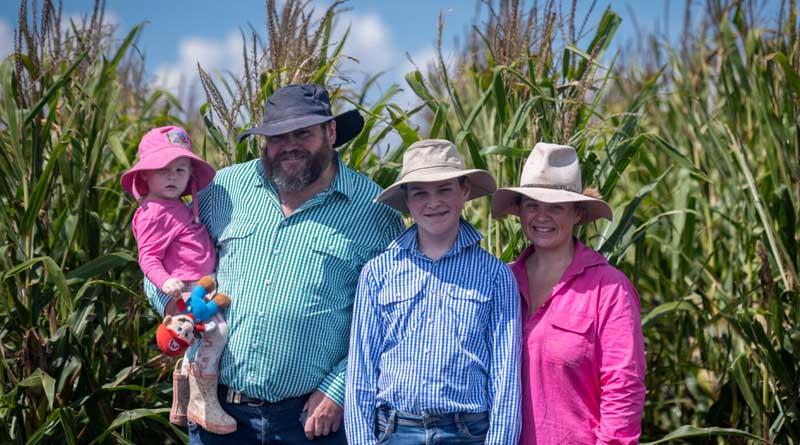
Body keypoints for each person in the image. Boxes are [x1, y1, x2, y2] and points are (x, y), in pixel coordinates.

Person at [144, 84, 404, 444]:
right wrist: (179, 307)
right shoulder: (226, 188)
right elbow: (165, 253)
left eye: (303, 133)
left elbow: (391, 317)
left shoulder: (373, 212)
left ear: (330, 133)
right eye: (277, 136)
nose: (289, 145)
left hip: (311, 421)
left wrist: (339, 389)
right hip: (218, 413)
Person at [346, 139, 522, 444]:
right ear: (407, 200)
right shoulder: (378, 273)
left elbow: (505, 378)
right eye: (421, 193)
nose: (433, 203)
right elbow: (361, 371)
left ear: (465, 190)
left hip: (467, 432)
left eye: (444, 190)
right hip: (395, 429)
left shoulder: (495, 275)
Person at [490, 142, 646, 445]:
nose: (542, 216)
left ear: (577, 213)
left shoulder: (608, 289)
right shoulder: (501, 281)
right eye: (532, 204)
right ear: (519, 211)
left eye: (556, 207)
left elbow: (623, 389)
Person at [121, 125, 236, 434]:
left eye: (180, 169)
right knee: (215, 331)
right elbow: (148, 256)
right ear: (144, 176)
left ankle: (181, 401)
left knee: (197, 338)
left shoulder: (179, 206)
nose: (172, 176)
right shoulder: (152, 213)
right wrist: (165, 281)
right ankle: (204, 398)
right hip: (184, 285)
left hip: (201, 283)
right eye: (162, 170)